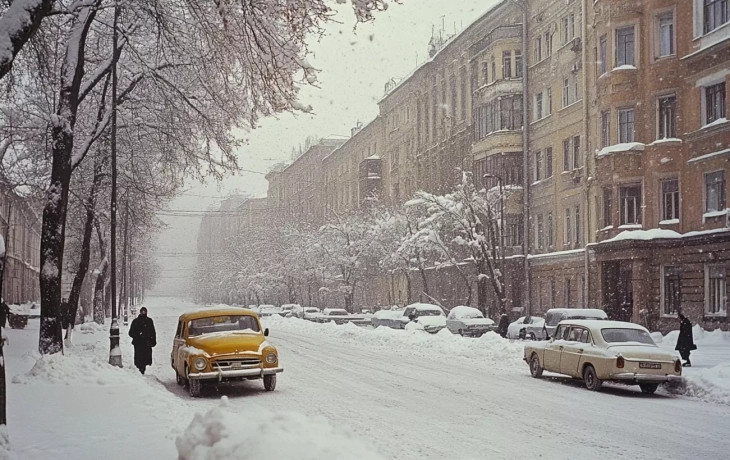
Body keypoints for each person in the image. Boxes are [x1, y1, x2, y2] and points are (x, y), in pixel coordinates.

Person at [128, 307, 156, 374]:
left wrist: (153, 341)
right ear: (140, 312)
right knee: (139, 358)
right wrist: (137, 336)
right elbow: (131, 332)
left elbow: (153, 332)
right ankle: (139, 369)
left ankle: (142, 369)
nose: (143, 313)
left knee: (145, 358)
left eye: (145, 312)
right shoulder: (136, 321)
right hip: (138, 344)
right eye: (142, 312)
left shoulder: (149, 321)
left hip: (146, 343)